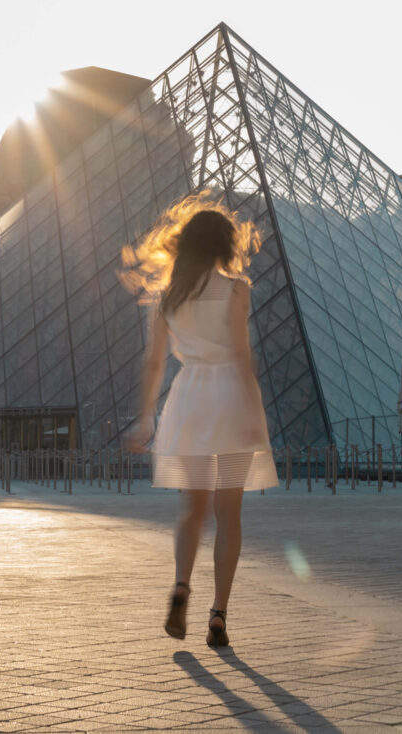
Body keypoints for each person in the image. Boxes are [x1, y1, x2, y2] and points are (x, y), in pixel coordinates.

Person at [123, 192, 278, 647]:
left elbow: (154, 363)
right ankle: (218, 614)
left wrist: (145, 419)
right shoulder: (236, 289)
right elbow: (241, 354)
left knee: (191, 510)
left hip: (188, 400)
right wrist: (253, 409)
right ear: (225, 245)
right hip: (230, 396)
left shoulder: (167, 298)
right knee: (229, 515)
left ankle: (180, 586)